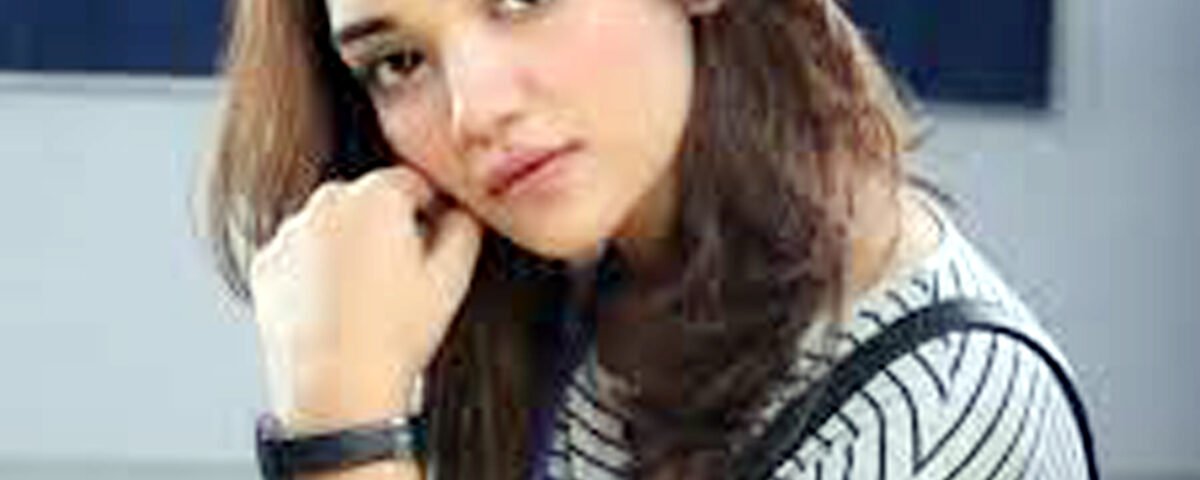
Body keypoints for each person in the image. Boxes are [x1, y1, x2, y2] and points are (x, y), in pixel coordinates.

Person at [202, 0, 1094, 478]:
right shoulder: (550, 288)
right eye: (398, 62)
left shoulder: (945, 413)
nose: (475, 110)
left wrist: (344, 437)